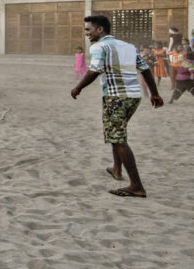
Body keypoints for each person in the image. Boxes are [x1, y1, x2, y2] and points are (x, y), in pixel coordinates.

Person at [70, 15, 163, 198]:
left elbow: (94, 70)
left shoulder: (99, 46)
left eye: (88, 30)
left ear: (100, 30)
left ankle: (136, 185)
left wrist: (78, 87)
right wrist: (154, 93)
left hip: (115, 97)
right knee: (116, 132)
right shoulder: (128, 46)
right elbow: (145, 69)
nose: (86, 33)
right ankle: (116, 169)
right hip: (134, 97)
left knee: (119, 139)